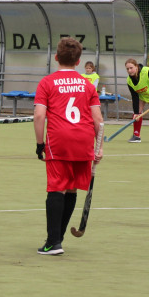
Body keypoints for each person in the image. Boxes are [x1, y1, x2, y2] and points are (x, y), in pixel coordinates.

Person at [33, 37, 103, 256]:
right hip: (84, 142)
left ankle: (53, 242)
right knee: (71, 188)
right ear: (79, 61)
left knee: (56, 188)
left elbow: (38, 116)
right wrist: (99, 147)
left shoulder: (47, 82)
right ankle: (58, 238)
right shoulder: (88, 85)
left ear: (56, 58)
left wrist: (39, 144)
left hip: (59, 141)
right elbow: (98, 121)